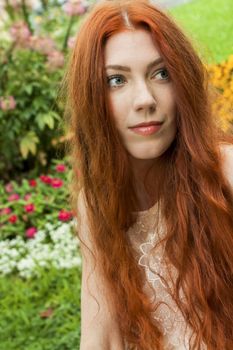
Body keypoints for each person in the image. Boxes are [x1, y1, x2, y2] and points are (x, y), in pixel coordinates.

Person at [64, 0, 233, 349]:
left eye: (161, 73)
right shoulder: (97, 204)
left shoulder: (226, 172)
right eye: (116, 80)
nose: (145, 99)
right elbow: (101, 336)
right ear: (91, 97)